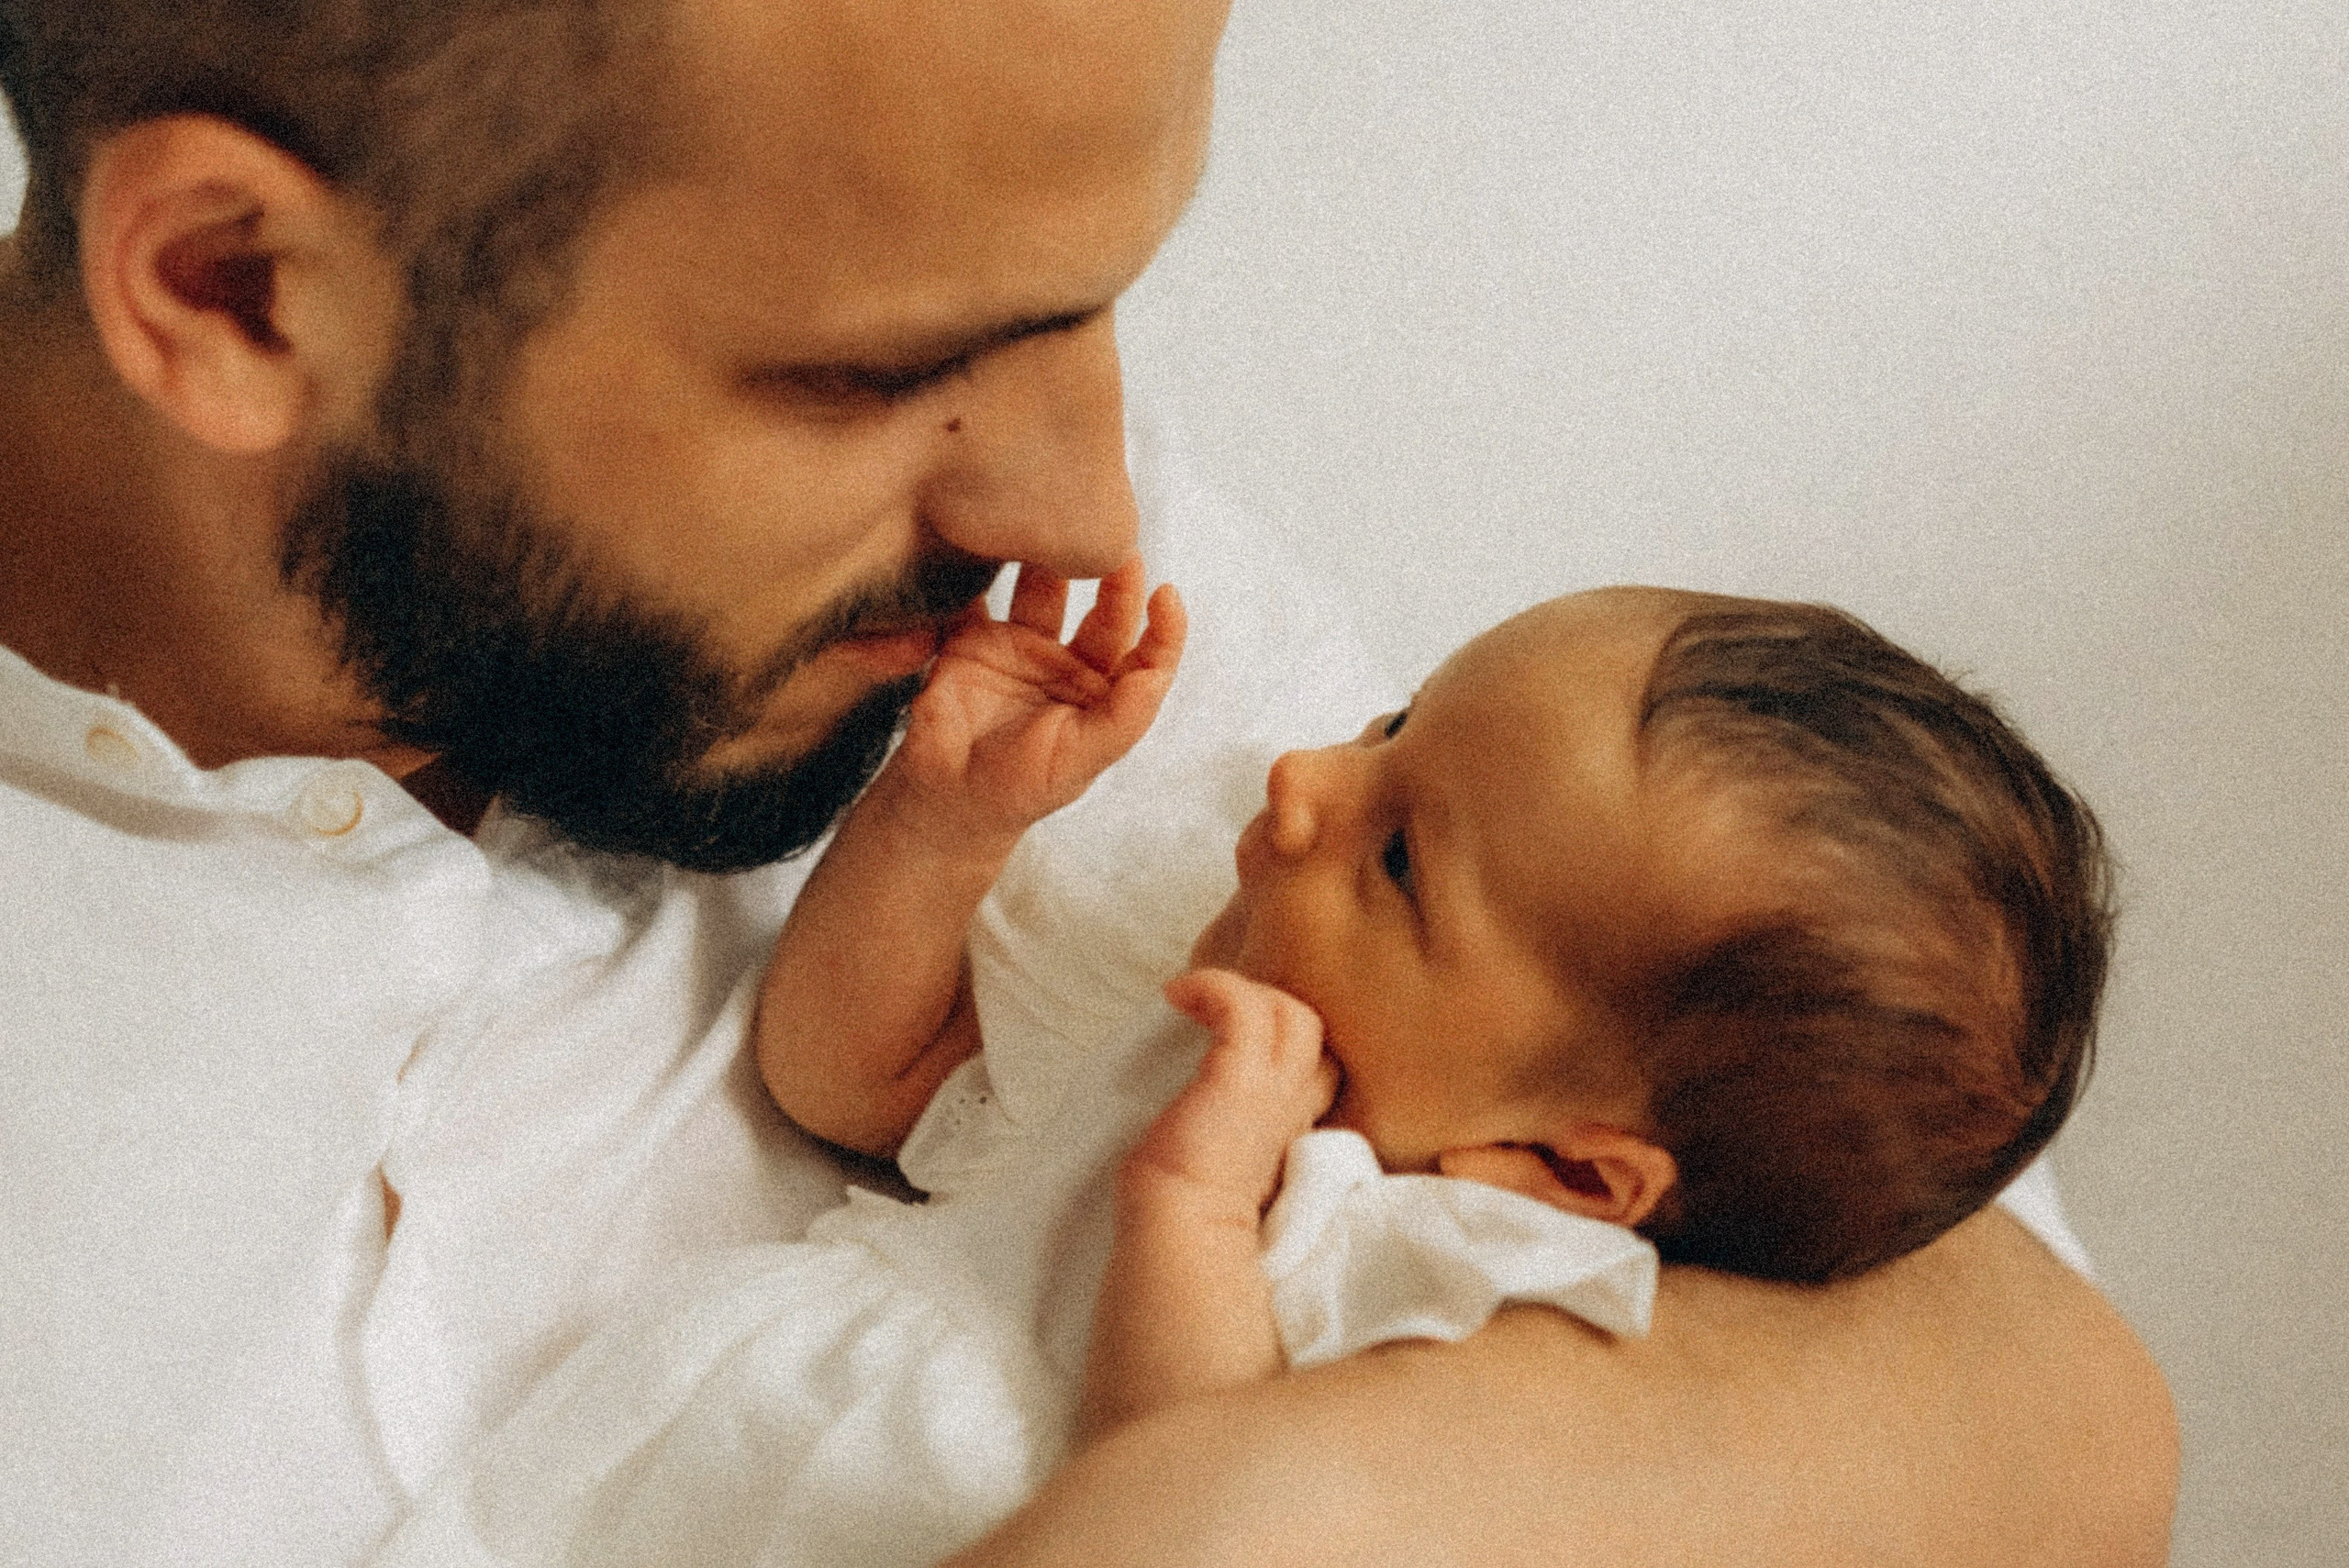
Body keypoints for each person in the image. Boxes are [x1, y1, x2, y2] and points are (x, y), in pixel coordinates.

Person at [0, 0, 2176, 1562]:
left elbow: (2054, 1404)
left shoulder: (1065, 657)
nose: (1095, 500)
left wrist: (1239, 1507)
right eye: (882, 373)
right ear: (234, 288)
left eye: (1097, 310)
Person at [755, 575, 2112, 1449]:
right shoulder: (1209, 995)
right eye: (1394, 723)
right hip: (777, 1413)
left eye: (1398, 857)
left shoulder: (1436, 1280)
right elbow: (856, 1082)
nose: (1303, 779)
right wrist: (942, 826)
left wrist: (1194, 1210)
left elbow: (1184, 1511)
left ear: (1559, 1165)